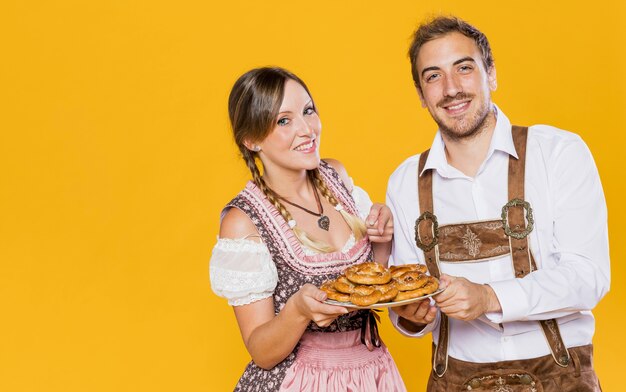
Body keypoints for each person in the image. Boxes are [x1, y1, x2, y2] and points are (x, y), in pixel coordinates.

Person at [387, 16, 610, 391]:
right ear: (421, 95)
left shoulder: (557, 153)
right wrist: (410, 315)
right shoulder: (405, 180)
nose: (451, 88)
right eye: (433, 76)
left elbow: (588, 276)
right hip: (454, 379)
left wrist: (489, 297)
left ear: (491, 74)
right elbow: (412, 305)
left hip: (561, 379)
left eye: (464, 68)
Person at [209, 67, 406, 391]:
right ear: (252, 139)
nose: (306, 129)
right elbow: (262, 352)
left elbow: (367, 290)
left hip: (370, 371)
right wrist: (297, 312)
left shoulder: (337, 177)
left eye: (308, 111)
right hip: (299, 381)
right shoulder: (243, 220)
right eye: (283, 121)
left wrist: (382, 239)